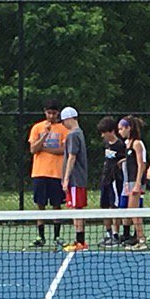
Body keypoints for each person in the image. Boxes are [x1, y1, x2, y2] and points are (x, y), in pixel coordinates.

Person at [28, 98, 68, 247]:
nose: (51, 116)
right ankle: (41, 237)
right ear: (45, 112)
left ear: (57, 113)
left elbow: (62, 150)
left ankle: (57, 237)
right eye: (49, 113)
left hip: (56, 174)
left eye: (54, 113)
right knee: (40, 205)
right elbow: (33, 149)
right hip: (39, 173)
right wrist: (44, 136)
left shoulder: (63, 129)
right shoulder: (37, 128)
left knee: (57, 206)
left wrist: (44, 149)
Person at [60, 106, 89, 251]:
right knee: (77, 209)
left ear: (69, 119)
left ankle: (80, 242)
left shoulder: (72, 135)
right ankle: (80, 240)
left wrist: (66, 179)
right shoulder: (79, 133)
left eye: (64, 121)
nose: (63, 124)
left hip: (75, 180)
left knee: (76, 210)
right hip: (79, 179)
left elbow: (72, 157)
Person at [118, 115, 147, 250]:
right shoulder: (128, 144)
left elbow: (141, 164)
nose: (119, 132)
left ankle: (141, 240)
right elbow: (131, 160)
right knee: (131, 211)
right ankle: (138, 239)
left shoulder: (137, 143)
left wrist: (137, 184)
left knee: (134, 212)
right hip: (129, 181)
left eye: (121, 129)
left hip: (135, 181)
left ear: (128, 128)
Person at [97, 116, 125, 247]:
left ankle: (115, 234)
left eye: (104, 132)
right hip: (105, 178)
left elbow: (128, 158)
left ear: (112, 131)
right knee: (104, 207)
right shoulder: (106, 144)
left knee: (114, 207)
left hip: (115, 180)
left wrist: (120, 162)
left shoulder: (120, 145)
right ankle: (108, 234)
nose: (103, 135)